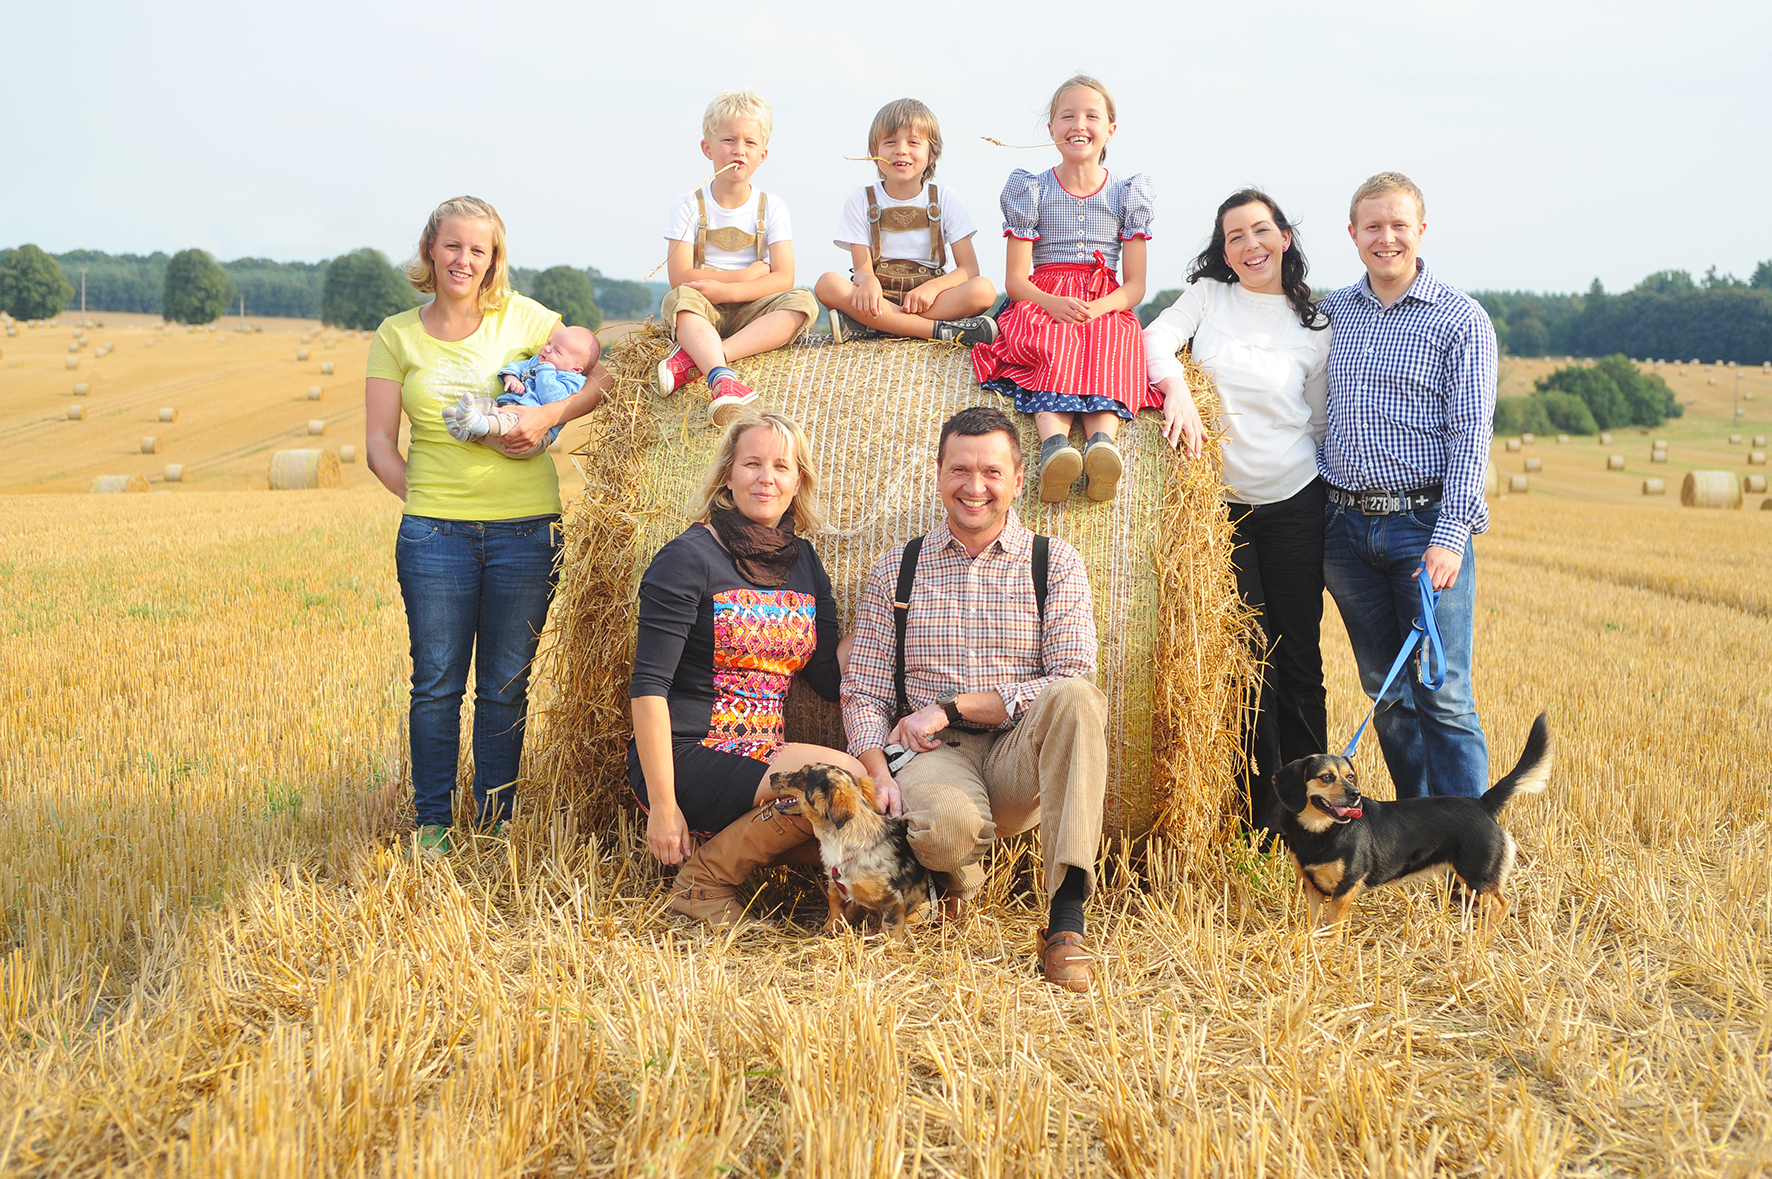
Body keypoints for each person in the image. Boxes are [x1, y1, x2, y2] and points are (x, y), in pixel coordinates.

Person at [365, 196, 611, 856]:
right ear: (430, 249)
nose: (463, 260)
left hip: (525, 531)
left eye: (478, 249)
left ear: (493, 258)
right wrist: (419, 497)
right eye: (452, 246)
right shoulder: (396, 335)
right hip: (434, 534)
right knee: (437, 682)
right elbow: (379, 445)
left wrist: (545, 416)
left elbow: (604, 373)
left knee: (505, 684)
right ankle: (433, 823)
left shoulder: (527, 318)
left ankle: (498, 819)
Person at [841, 406, 1108, 992]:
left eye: (992, 471)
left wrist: (957, 705)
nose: (975, 486)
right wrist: (876, 770)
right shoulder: (897, 570)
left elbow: (1069, 677)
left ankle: (1065, 921)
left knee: (1080, 698)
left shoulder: (1054, 564)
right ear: (938, 475)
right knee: (947, 832)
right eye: (960, 470)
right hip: (934, 758)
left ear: (1018, 479)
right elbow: (862, 689)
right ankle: (956, 876)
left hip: (1019, 755)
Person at [628, 409, 867, 925]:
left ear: (797, 479)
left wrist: (882, 620)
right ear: (727, 476)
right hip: (687, 751)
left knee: (862, 782)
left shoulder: (803, 560)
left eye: (781, 466)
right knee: (834, 783)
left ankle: (851, 896)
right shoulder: (687, 557)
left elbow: (826, 676)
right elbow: (648, 687)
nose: (767, 478)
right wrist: (666, 806)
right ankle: (703, 884)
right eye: (752, 464)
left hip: (763, 748)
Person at [1143, 189, 1331, 832]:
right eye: (1234, 237)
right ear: (1222, 251)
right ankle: (1254, 816)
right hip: (1223, 511)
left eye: (1259, 231)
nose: (1249, 245)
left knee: (1300, 658)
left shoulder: (1315, 324)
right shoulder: (1207, 298)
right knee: (1249, 663)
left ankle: (1315, 814)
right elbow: (1152, 341)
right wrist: (1177, 391)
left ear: (1284, 237)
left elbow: (1321, 416)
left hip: (1297, 500)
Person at [1317, 172, 1497, 799]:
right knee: (1386, 692)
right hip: (1343, 533)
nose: (1386, 237)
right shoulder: (1330, 312)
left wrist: (1451, 536)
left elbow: (1472, 434)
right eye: (1373, 226)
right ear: (1353, 234)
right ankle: (1421, 833)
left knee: (1443, 696)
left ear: (1421, 230)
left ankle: (1472, 857)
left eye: (1399, 225)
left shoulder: (1461, 319)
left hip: (1424, 528)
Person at [970, 75, 1160, 504]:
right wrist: (1050, 302)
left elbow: (1135, 286)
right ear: (1052, 129)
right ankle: (1055, 447)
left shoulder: (1127, 193)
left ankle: (1101, 446)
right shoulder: (1031, 189)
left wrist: (1100, 308)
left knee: (1116, 336)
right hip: (1043, 295)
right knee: (1052, 340)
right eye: (1067, 115)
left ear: (1110, 129)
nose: (1080, 124)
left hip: (1104, 297)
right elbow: (1016, 281)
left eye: (1092, 116)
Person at [653, 90, 820, 428]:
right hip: (703, 309)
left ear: (763, 153)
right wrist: (745, 277)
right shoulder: (688, 204)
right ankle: (720, 378)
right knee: (679, 300)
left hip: (752, 310)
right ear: (707, 148)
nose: (738, 150)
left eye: (749, 143)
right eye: (728, 140)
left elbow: (784, 278)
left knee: (803, 302)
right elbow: (680, 276)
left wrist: (730, 291)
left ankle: (703, 359)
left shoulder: (771, 206)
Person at [813, 97, 999, 347]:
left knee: (983, 290)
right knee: (826, 284)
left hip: (930, 298)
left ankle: (874, 326)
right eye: (890, 142)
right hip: (879, 295)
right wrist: (867, 281)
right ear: (874, 153)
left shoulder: (944, 198)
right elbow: (862, 268)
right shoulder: (861, 199)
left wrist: (933, 288)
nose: (901, 150)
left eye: (913, 142)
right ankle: (937, 331)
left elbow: (969, 269)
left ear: (931, 153)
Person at [442, 323, 599, 456]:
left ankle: (477, 423)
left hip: (532, 433)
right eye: (549, 343)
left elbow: (551, 398)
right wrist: (512, 378)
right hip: (507, 407)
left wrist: (545, 370)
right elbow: (516, 367)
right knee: (487, 404)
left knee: (508, 419)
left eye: (557, 351)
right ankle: (464, 426)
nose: (547, 349)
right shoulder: (536, 360)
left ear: (576, 369)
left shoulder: (572, 380)